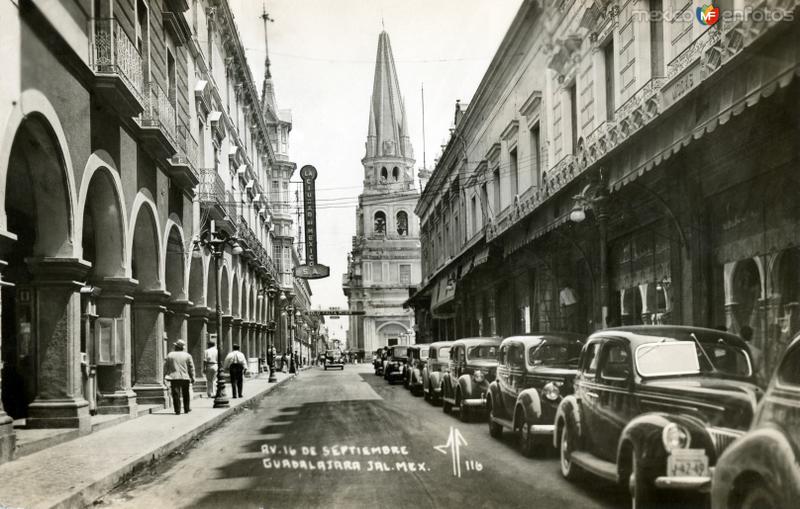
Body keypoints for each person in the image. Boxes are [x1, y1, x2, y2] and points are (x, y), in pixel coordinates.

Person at [163, 339, 195, 415]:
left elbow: (165, 367)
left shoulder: (170, 355)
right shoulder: (187, 355)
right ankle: (186, 409)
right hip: (185, 377)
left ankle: (177, 410)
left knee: (176, 394)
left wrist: (164, 375)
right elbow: (191, 367)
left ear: (176, 347)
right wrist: (193, 377)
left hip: (174, 377)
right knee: (186, 393)